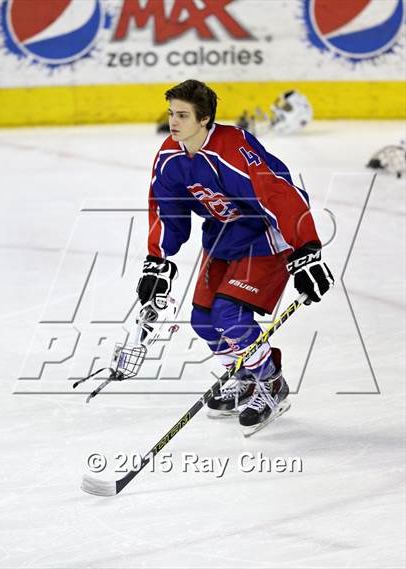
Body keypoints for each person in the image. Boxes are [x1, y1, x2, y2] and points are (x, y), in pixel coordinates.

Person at [136, 79, 333, 433]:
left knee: (229, 314)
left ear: (205, 119)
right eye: (171, 113)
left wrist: (306, 250)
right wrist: (159, 260)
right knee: (203, 320)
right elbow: (168, 212)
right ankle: (244, 376)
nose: (174, 122)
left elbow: (280, 194)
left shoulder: (233, 148)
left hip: (264, 234)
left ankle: (270, 383)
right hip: (223, 237)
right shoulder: (169, 157)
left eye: (183, 115)